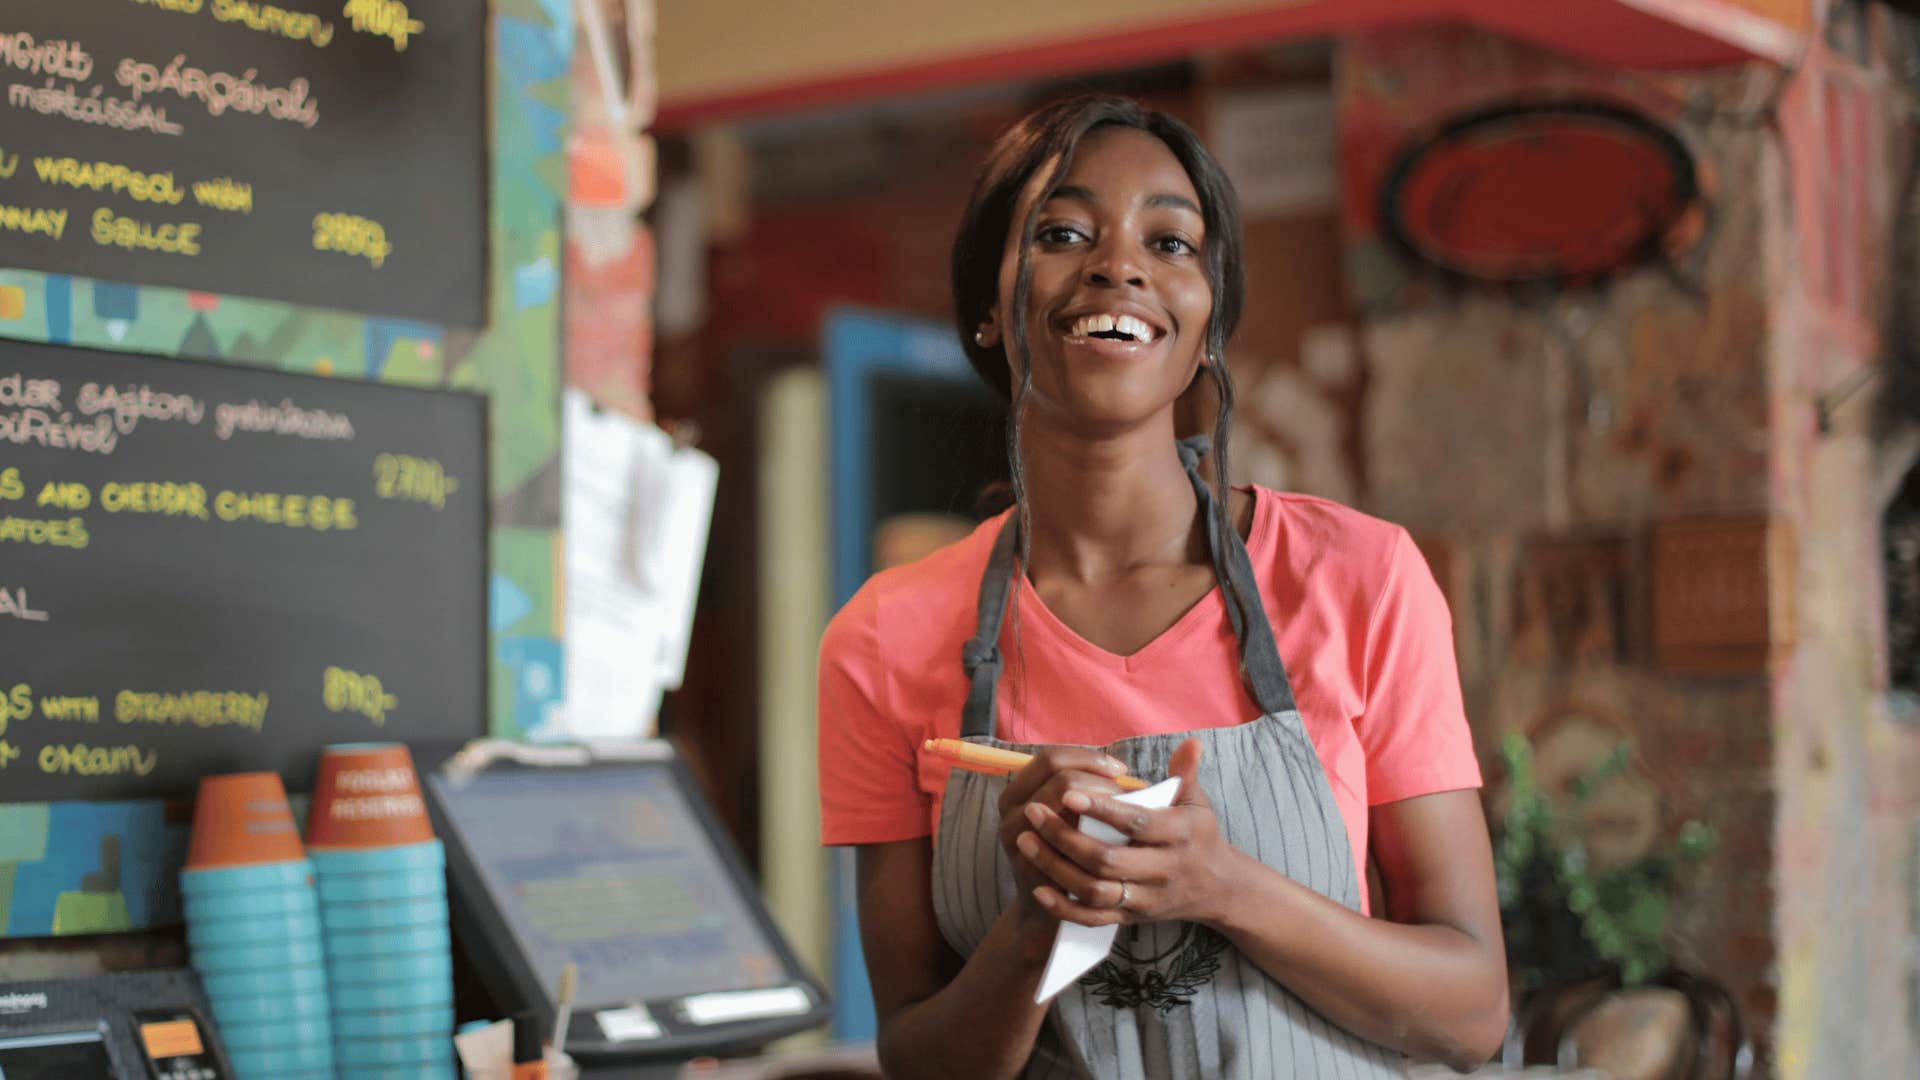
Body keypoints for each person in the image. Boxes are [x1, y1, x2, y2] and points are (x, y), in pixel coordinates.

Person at [817, 94, 1508, 1079]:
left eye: (1171, 242)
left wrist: (1222, 885)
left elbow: (1473, 1010)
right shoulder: (885, 635)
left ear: (1209, 324)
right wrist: (1036, 927)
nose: (1119, 265)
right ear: (985, 309)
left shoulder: (1361, 577)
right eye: (1062, 231)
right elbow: (918, 1055)